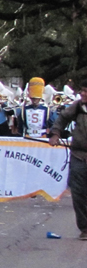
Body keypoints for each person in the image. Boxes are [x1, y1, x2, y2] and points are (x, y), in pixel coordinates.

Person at [49, 80, 87, 240]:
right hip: (79, 155)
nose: (82, 94)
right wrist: (56, 133)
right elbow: (62, 118)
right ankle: (85, 228)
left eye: (86, 91)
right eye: (82, 90)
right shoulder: (78, 106)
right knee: (78, 192)